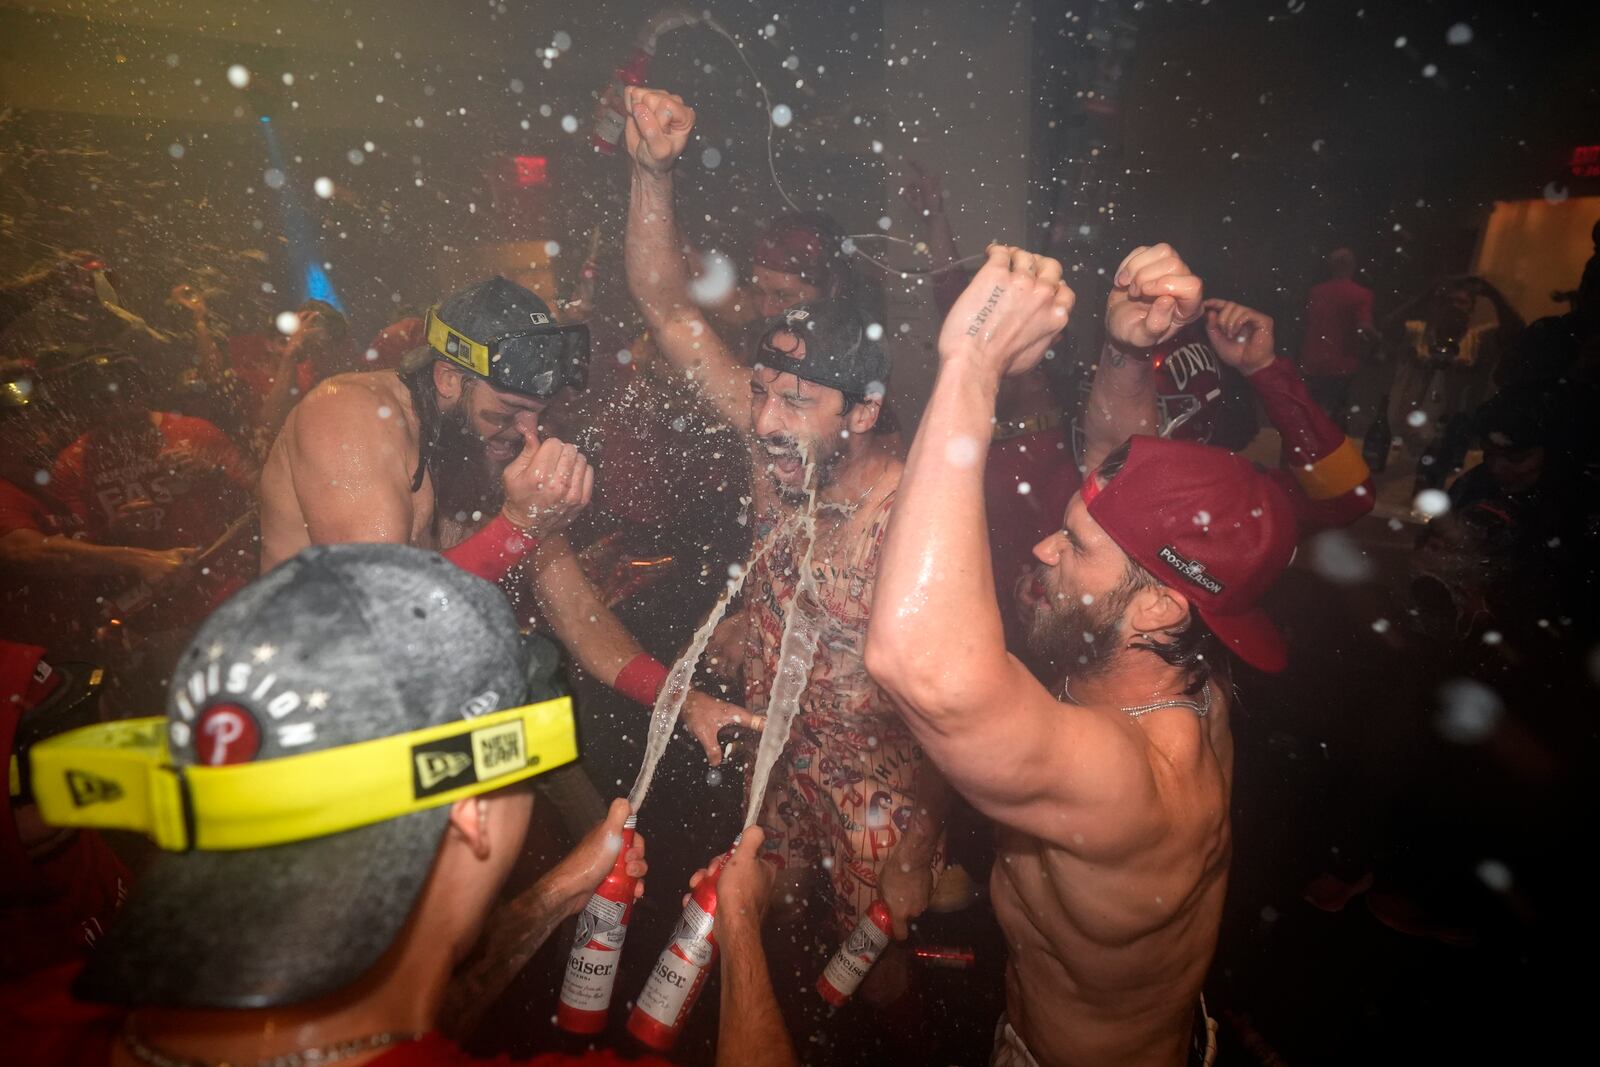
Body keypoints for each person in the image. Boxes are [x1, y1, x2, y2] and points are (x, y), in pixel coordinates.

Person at [0, 542, 797, 1067]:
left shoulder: (42, 1016)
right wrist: (742, 931)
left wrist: (561, 888)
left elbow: (395, 1006)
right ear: (471, 815)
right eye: (518, 784)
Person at [869, 245, 1304, 1067]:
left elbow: (918, 661)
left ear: (1156, 602)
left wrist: (971, 365)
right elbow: (1125, 482)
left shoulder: (1133, 780)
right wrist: (1129, 348)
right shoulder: (1163, 642)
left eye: (1070, 543)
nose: (1041, 548)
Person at [621, 85, 950, 952]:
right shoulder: (782, 426)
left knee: (879, 987)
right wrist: (652, 174)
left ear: (861, 414)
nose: (765, 421)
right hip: (778, 752)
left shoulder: (916, 512)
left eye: (794, 401)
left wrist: (916, 847)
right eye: (761, 395)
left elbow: (958, 701)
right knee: (768, 939)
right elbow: (666, 308)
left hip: (875, 796)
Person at [1, 640, 129, 983]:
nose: (76, 770)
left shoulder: (78, 844)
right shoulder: (20, 1007)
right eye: (42, 761)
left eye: (76, 733)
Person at [1298, 247, 1377, 428]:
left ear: (1330, 266)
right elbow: (1364, 326)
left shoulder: (1315, 292)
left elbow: (1306, 322)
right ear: (1353, 266)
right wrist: (1377, 337)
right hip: (1341, 364)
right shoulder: (1361, 294)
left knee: (1310, 413)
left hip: (1312, 361)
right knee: (1335, 417)